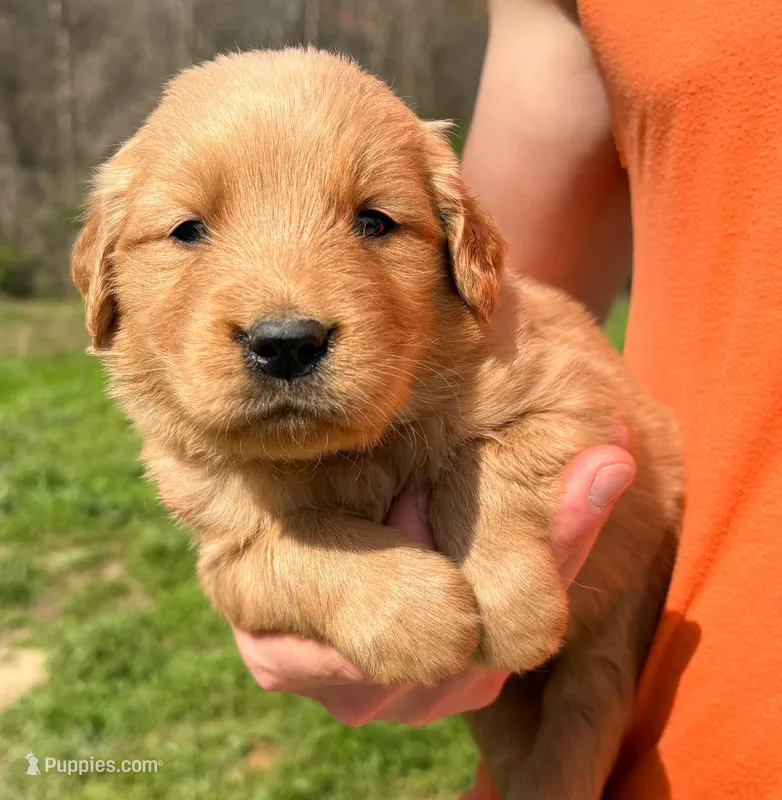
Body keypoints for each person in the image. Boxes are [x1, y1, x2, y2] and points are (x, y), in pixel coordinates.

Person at [232, 0, 782, 796]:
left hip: (686, 618)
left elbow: (500, 315)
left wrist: (493, 515)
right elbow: (499, 315)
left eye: (373, 222)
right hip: (662, 719)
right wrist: (303, 570)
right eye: (188, 231)